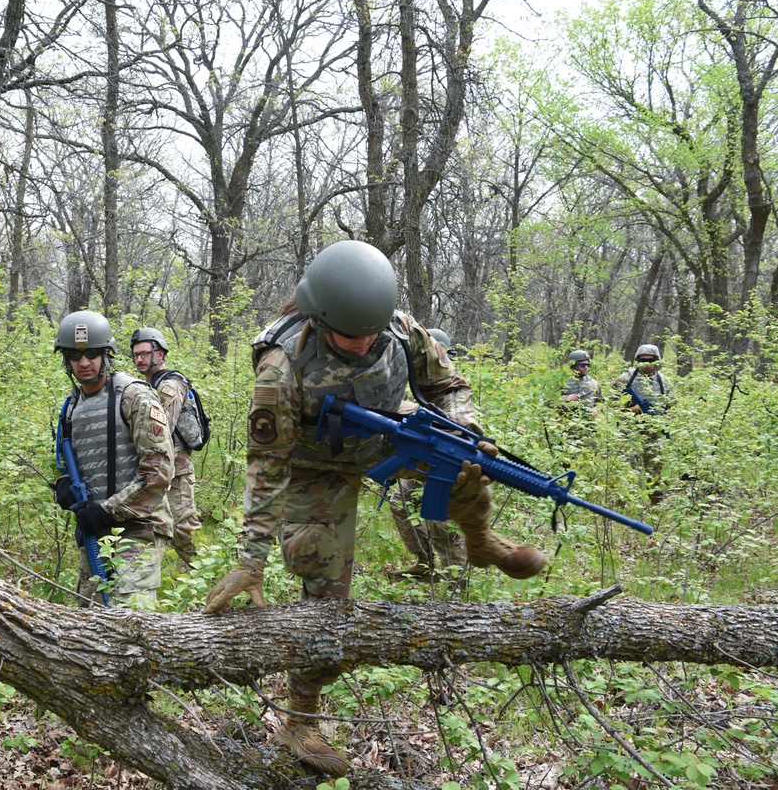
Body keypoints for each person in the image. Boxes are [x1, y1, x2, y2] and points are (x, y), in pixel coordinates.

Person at [203, 240, 546, 778]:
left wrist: (467, 425)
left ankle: (481, 540)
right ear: (318, 318)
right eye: (350, 335)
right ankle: (301, 720)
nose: (365, 344)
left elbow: (448, 385)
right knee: (320, 577)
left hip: (387, 429)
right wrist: (251, 559)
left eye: (372, 333)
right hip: (318, 464)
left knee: (461, 460)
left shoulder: (399, 329)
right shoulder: (281, 365)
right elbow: (268, 465)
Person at [52, 311, 175, 606]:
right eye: (75, 355)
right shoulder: (72, 406)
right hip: (94, 532)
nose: (84, 362)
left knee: (130, 623)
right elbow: (64, 464)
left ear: (106, 354)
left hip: (137, 527)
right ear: (66, 360)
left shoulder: (133, 396)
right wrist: (63, 487)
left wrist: (108, 509)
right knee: (91, 621)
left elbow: (158, 472)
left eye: (92, 353)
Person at [388, 328, 465, 583]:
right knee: (400, 502)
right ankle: (425, 563)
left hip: (450, 460)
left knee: (441, 523)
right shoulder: (422, 382)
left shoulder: (455, 387)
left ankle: (455, 582)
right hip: (426, 456)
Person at [130, 326, 202, 568]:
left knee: (185, 532)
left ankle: (214, 579)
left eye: (145, 354)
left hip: (176, 471)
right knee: (153, 531)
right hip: (158, 470)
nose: (139, 359)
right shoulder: (148, 385)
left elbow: (161, 431)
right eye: (136, 354)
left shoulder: (168, 386)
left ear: (159, 355)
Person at [612, 343, 672, 499]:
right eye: (643, 360)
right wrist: (630, 410)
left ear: (656, 361)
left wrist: (664, 421)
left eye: (650, 360)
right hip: (629, 434)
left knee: (655, 471)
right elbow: (608, 405)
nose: (646, 363)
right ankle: (623, 503)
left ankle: (655, 504)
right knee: (626, 470)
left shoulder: (663, 381)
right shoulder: (625, 379)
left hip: (653, 434)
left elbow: (672, 406)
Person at [560, 349, 603, 415]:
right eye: (583, 365)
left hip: (589, 422)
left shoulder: (594, 383)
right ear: (573, 365)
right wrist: (566, 398)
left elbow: (600, 403)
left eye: (588, 365)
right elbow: (549, 401)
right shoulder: (561, 381)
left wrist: (596, 410)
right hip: (565, 421)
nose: (586, 367)